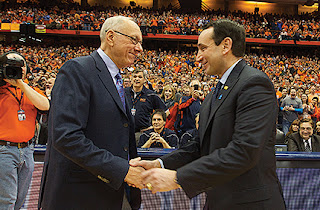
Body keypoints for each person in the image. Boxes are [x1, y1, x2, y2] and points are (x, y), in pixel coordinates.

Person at [131, 19, 286, 209]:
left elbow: (244, 151)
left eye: (202, 48)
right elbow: (200, 145)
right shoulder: (214, 93)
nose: (197, 57)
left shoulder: (254, 84)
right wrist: (160, 164)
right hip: (217, 202)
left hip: (250, 203)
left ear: (226, 46)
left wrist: (178, 178)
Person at [39, 16, 145, 210]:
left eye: (141, 43)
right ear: (111, 37)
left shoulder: (118, 80)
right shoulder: (77, 70)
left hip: (111, 194)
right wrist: (121, 170)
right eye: (134, 40)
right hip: (78, 197)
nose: (140, 48)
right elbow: (66, 137)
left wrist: (128, 166)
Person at [0, 51, 50, 209]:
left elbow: (46, 106)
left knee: (20, 200)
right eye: (11, 68)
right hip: (4, 149)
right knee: (7, 199)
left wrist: (21, 83)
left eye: (20, 68)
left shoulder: (30, 90)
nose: (15, 71)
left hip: (27, 150)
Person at [125, 68, 167, 143]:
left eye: (140, 77)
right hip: (124, 132)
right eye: (134, 77)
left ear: (144, 80)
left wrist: (153, 126)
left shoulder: (151, 95)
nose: (137, 79)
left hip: (142, 134)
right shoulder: (123, 93)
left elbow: (165, 112)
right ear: (131, 79)